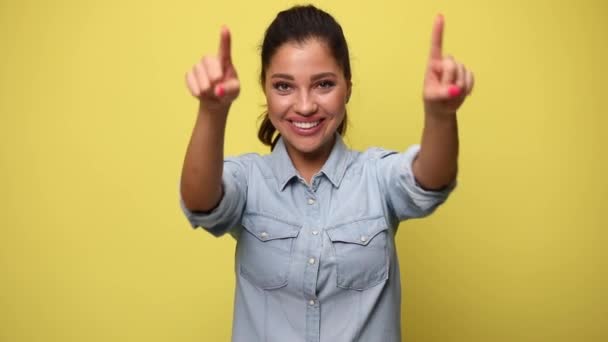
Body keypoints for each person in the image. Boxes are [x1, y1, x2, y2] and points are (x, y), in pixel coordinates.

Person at [179, 5, 473, 342]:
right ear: (264, 88)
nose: (305, 105)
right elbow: (200, 202)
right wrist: (212, 111)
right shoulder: (248, 179)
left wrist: (440, 115)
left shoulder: (375, 176)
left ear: (347, 86)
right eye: (284, 87)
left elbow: (429, 180)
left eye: (323, 84)